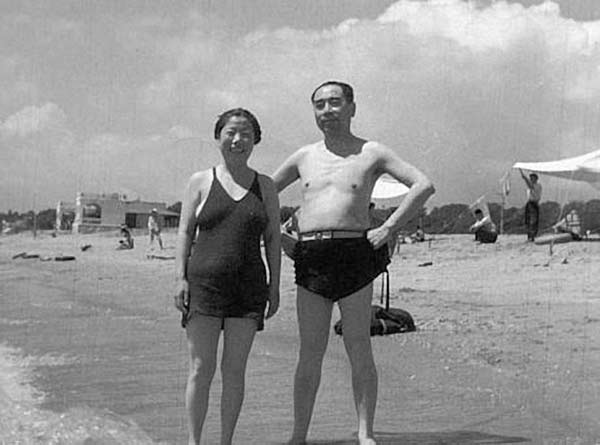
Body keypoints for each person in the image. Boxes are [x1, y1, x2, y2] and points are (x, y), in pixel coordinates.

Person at [273, 81, 435, 445]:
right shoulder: (303, 156)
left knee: (358, 346)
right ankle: (298, 436)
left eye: (334, 102)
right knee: (309, 353)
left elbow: (423, 184)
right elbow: (263, 192)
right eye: (319, 105)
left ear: (351, 107)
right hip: (311, 256)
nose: (327, 110)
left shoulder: (372, 152)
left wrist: (391, 227)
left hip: (355, 255)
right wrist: (279, 235)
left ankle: (365, 433)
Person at [173, 108, 281, 445]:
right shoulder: (200, 181)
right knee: (200, 369)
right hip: (203, 287)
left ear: (256, 140)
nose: (238, 140)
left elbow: (273, 239)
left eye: (246, 133)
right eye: (231, 132)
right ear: (218, 137)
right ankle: (194, 441)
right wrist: (180, 278)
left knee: (234, 372)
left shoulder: (266, 185)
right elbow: (185, 232)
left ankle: (226, 441)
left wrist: (275, 287)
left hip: (248, 290)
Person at [519, 169, 542, 241]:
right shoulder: (531, 185)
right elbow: (529, 186)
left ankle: (532, 236)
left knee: (533, 220)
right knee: (528, 220)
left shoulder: (538, 185)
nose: (531, 179)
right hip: (529, 203)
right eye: (530, 177)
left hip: (534, 203)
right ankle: (529, 236)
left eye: (532, 177)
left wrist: (525, 178)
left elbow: (530, 186)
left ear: (536, 178)